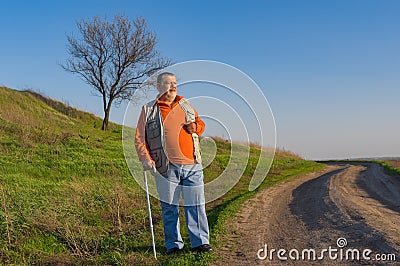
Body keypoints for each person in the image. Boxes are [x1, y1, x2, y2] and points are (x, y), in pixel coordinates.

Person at [134, 72, 212, 254]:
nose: (173, 86)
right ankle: (174, 245)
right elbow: (139, 138)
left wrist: (196, 128)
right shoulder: (149, 110)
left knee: (196, 204)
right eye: (169, 83)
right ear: (159, 86)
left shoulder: (185, 104)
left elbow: (200, 124)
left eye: (175, 83)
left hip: (192, 163)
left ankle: (200, 242)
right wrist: (146, 158)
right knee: (169, 208)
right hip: (165, 167)